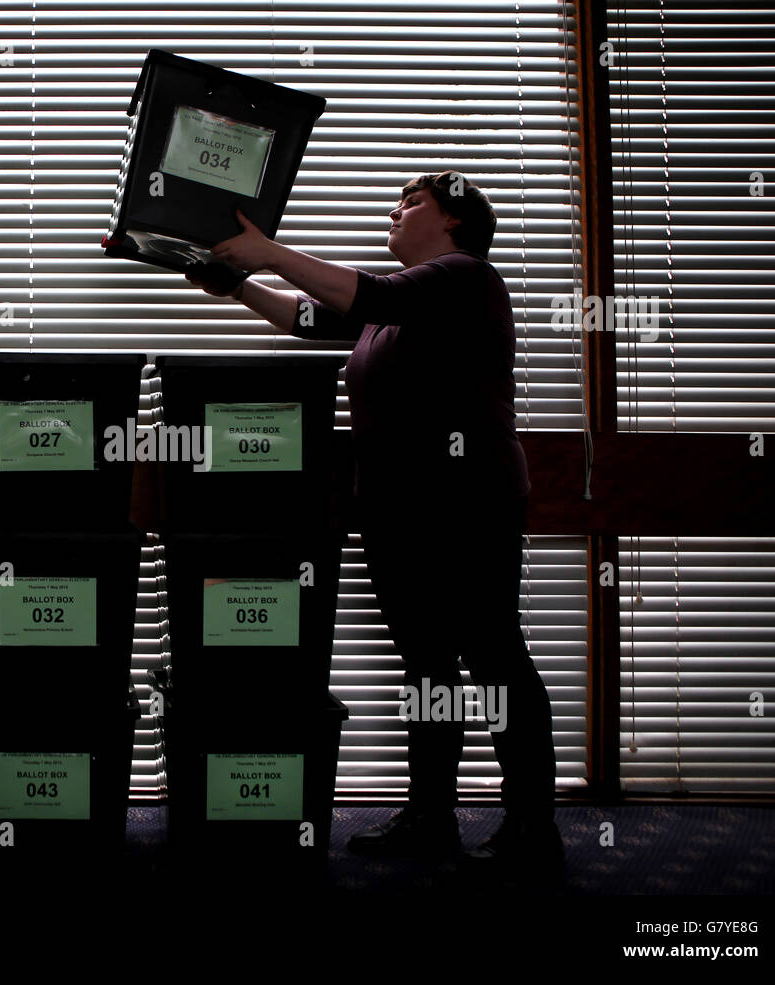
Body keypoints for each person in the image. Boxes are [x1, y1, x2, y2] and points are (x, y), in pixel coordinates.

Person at [186, 171, 563, 881]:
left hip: (468, 502)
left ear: (455, 222)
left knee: (494, 658)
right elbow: (306, 317)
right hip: (400, 510)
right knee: (427, 666)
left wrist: (265, 250)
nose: (394, 210)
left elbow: (368, 292)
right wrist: (232, 283)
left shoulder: (463, 277)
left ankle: (532, 826)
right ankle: (430, 814)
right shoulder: (397, 310)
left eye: (413, 201)